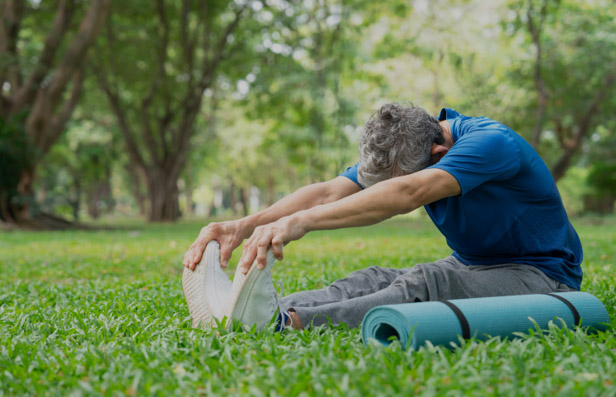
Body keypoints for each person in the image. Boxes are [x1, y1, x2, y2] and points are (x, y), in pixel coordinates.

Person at [182, 103, 581, 331]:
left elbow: (409, 192)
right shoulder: (414, 144)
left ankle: (288, 323)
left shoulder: (491, 143)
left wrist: (301, 223)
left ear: (438, 156)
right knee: (371, 278)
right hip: (476, 264)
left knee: (427, 281)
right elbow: (327, 191)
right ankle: (248, 310)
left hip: (543, 277)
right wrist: (242, 225)